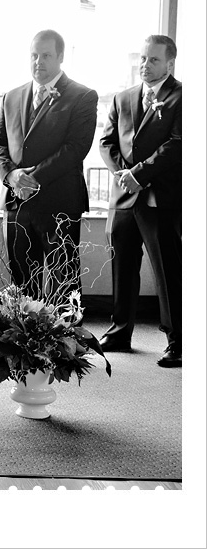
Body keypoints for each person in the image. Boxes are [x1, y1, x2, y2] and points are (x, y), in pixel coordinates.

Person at [0, 29, 98, 301]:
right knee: (21, 281)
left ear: (61, 57)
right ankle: (25, 341)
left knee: (64, 283)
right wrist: (12, 175)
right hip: (16, 203)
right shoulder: (11, 96)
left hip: (58, 202)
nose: (39, 61)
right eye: (34, 55)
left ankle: (65, 343)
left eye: (46, 55)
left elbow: (75, 149)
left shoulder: (82, 96)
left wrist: (31, 179)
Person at [98, 35, 182, 368]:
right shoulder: (123, 97)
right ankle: (120, 331)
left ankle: (177, 341)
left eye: (154, 60)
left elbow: (177, 144)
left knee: (167, 270)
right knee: (122, 264)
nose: (146, 65)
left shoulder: (184, 97)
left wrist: (140, 174)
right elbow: (106, 142)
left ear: (171, 64)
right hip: (123, 197)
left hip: (158, 197)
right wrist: (125, 174)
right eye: (143, 59)